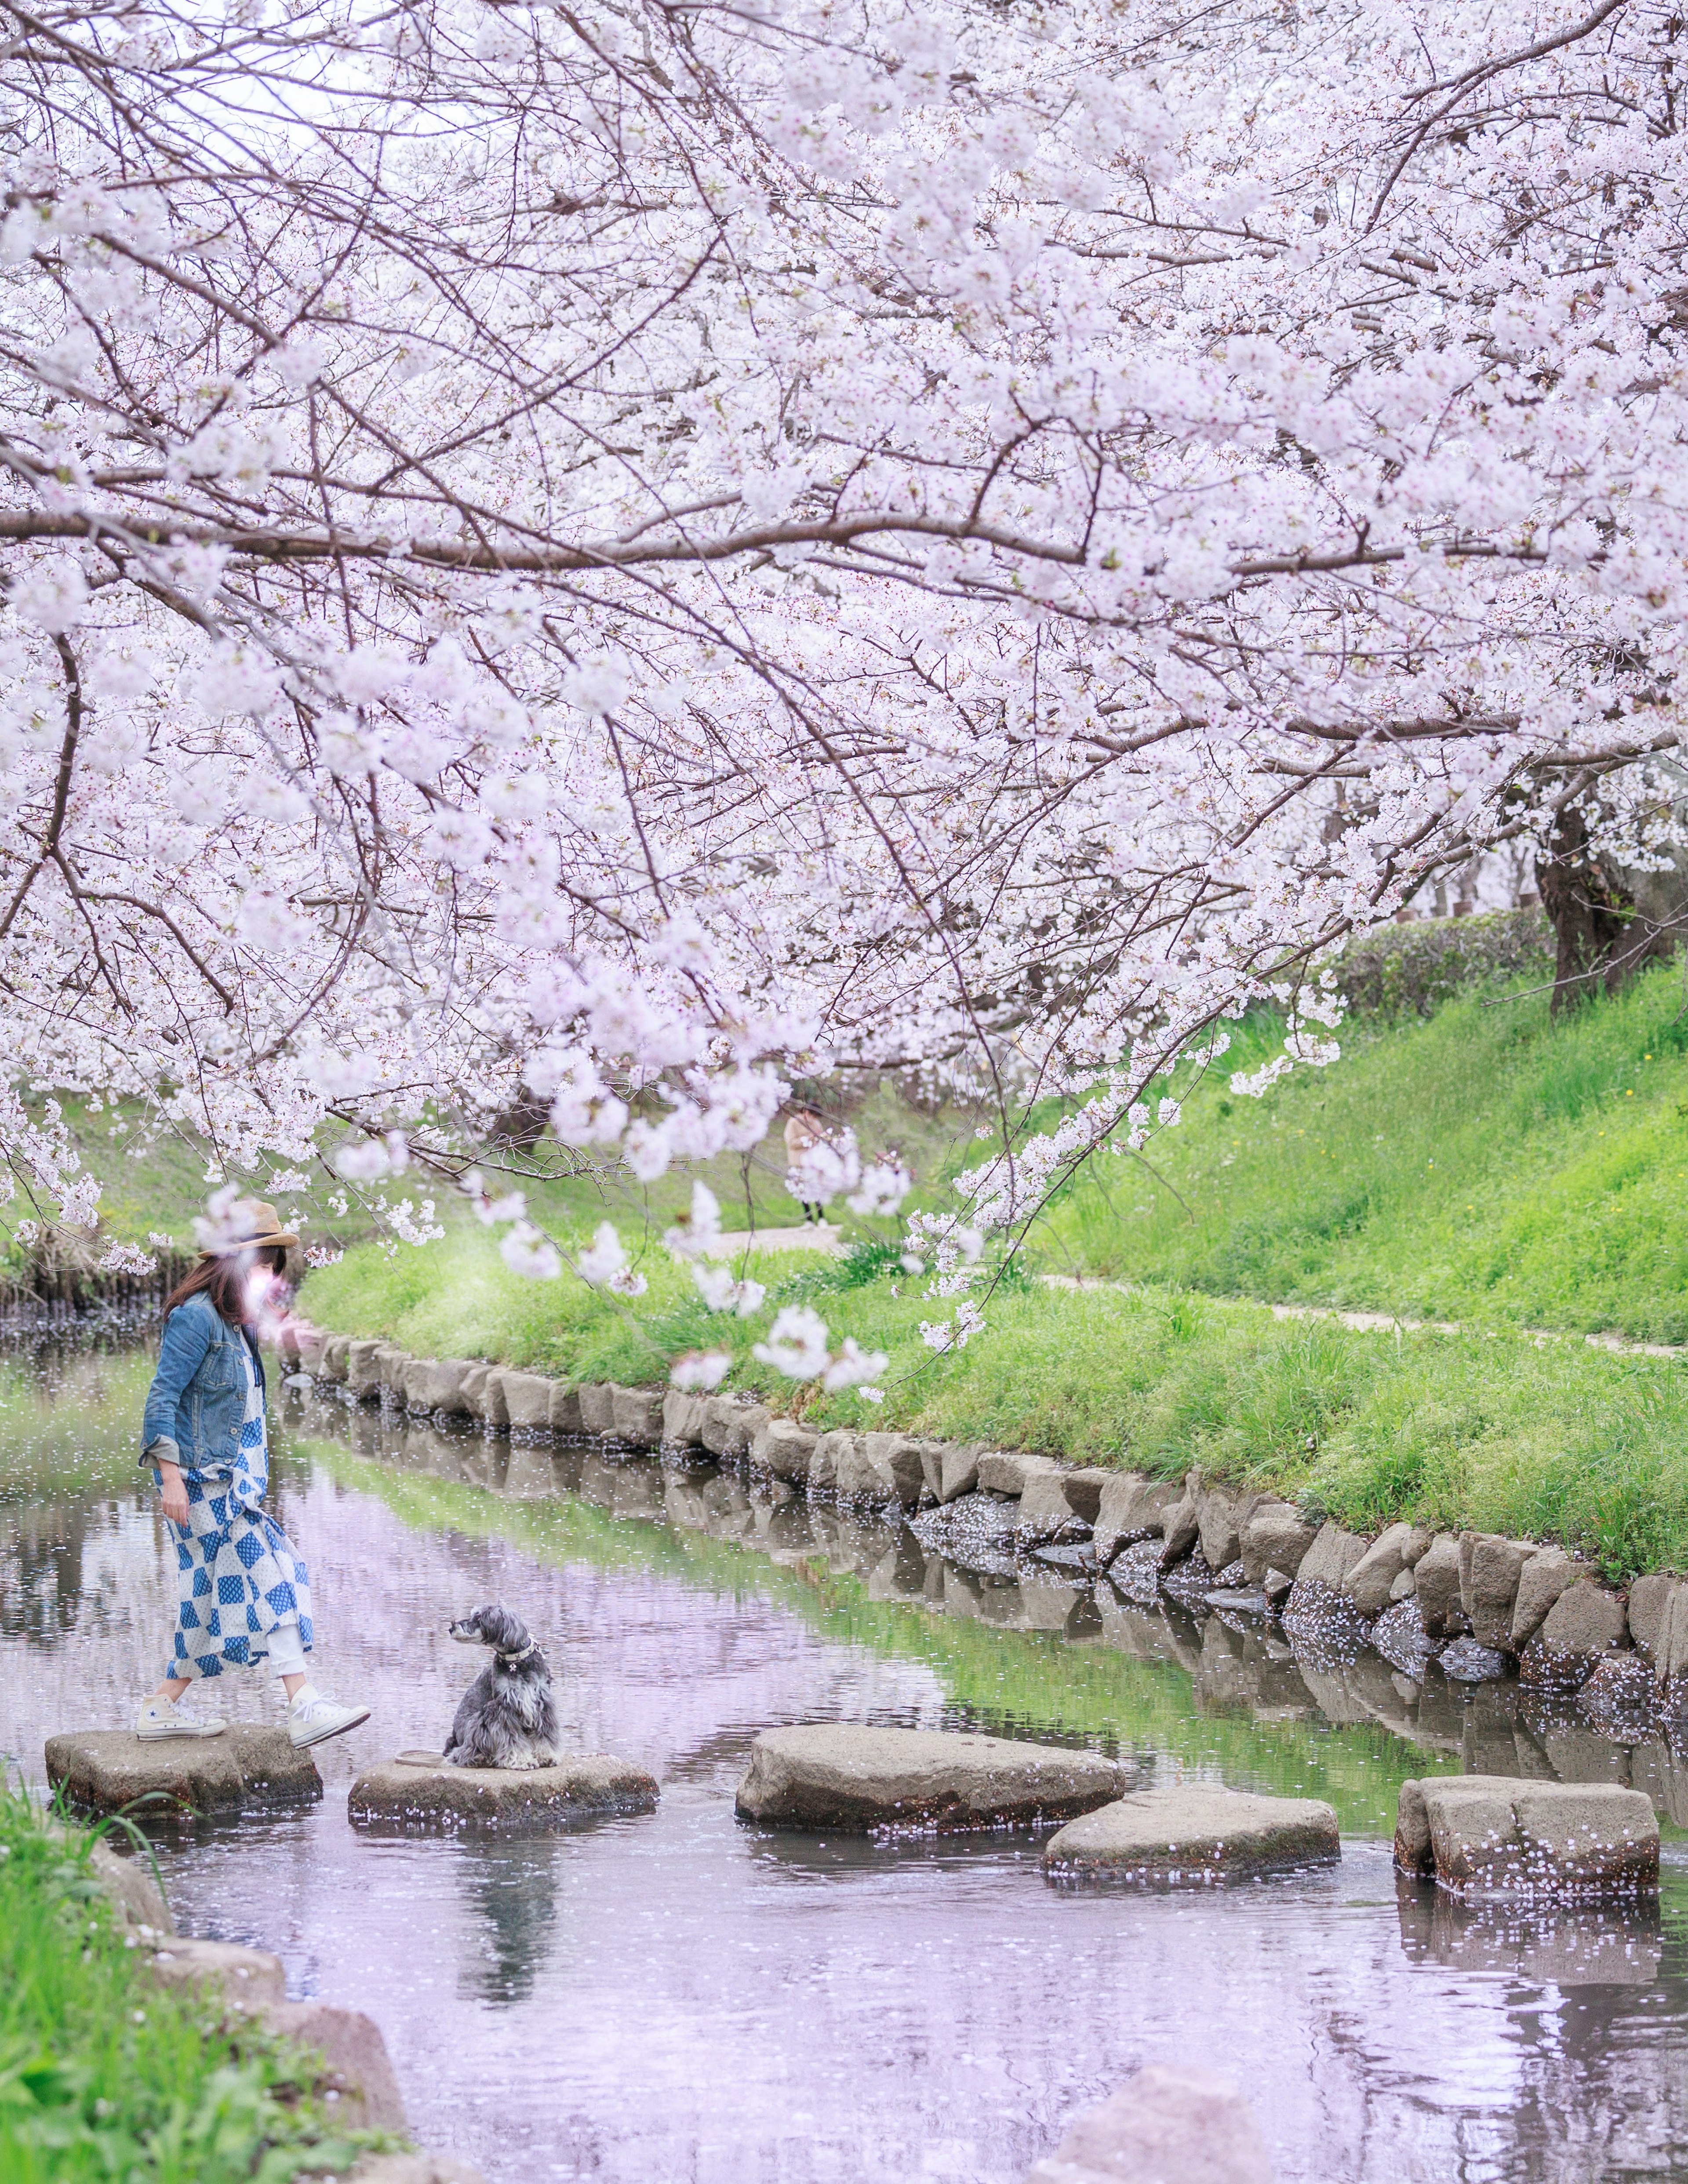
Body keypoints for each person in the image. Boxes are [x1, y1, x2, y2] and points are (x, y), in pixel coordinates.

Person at [135, 1200, 370, 1749]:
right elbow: (161, 1400)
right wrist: (170, 1479)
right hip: (199, 1485)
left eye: (271, 1265)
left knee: (208, 1598)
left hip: (231, 1484)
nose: (269, 1275)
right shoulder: (196, 1315)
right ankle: (304, 1704)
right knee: (276, 1575)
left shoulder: (234, 1319)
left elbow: (235, 1382)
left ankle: (160, 1707)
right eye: (262, 1263)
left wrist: (286, 1337)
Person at [782, 1105, 833, 1225]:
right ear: (806, 1112)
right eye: (812, 1115)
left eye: (816, 1116)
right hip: (799, 1162)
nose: (814, 1118)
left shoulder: (816, 1124)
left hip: (814, 1163)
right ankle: (809, 1220)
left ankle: (821, 1218)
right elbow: (791, 1143)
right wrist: (809, 1138)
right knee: (802, 1191)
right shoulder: (794, 1122)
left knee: (817, 1189)